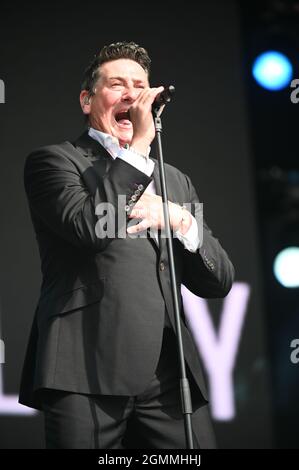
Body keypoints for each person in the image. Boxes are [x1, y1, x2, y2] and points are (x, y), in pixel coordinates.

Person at [19, 41, 234, 449]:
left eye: (140, 85)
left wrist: (180, 219)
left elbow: (218, 281)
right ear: (87, 100)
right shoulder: (55, 162)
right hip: (85, 366)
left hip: (169, 374)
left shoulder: (174, 179)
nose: (131, 94)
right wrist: (137, 150)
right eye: (117, 84)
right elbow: (90, 228)